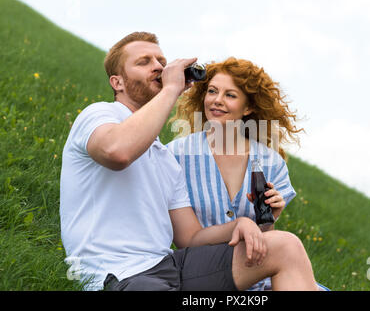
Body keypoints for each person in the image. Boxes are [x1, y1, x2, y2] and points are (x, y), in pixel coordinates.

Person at [60, 31, 318, 291]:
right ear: (118, 83)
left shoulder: (164, 158)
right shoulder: (100, 115)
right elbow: (117, 153)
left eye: (161, 61)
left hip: (168, 266)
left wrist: (242, 223)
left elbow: (191, 238)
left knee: (286, 246)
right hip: (117, 273)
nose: (158, 67)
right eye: (144, 62)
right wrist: (172, 88)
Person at [166, 57, 304, 291]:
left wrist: (270, 217)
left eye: (230, 95)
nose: (217, 101)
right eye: (212, 91)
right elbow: (185, 239)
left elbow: (260, 238)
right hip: (199, 272)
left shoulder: (272, 163)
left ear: (248, 107)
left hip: (255, 270)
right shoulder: (177, 155)